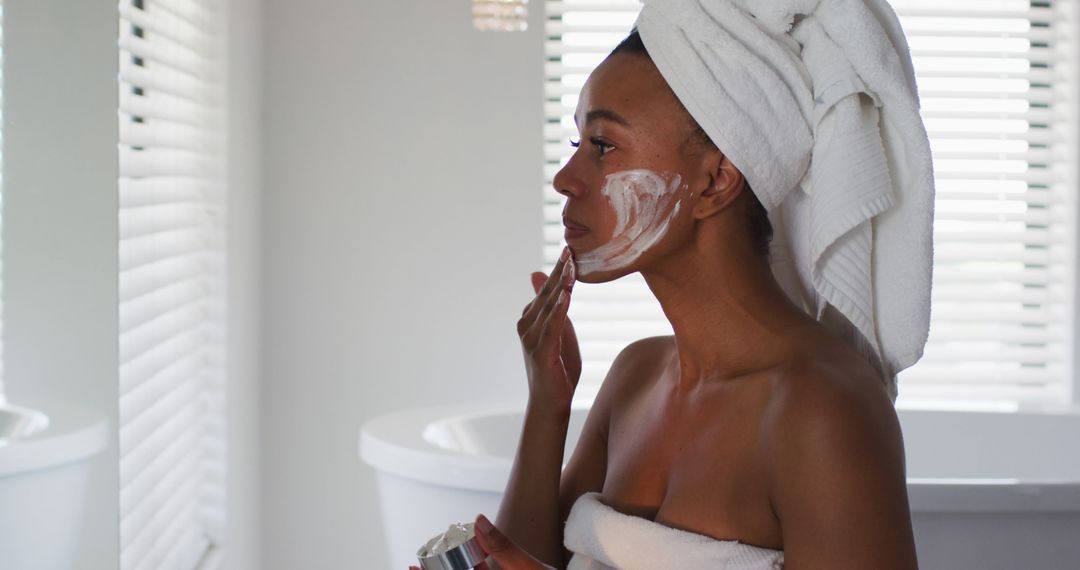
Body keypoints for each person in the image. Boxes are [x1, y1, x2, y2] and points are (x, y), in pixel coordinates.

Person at [412, 1, 931, 567]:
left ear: (716, 181)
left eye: (603, 146)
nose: (566, 179)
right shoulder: (635, 379)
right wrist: (547, 405)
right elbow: (521, 559)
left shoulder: (822, 408)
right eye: (575, 146)